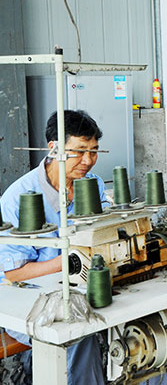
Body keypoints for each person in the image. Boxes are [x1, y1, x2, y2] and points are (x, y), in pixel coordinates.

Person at [0, 110, 108, 384]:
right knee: (78, 335)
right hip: (25, 303)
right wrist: (72, 261)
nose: (88, 161)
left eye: (94, 151)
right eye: (79, 151)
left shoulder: (92, 185)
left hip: (77, 291)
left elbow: (106, 230)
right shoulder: (17, 198)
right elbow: (14, 273)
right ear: (54, 148)